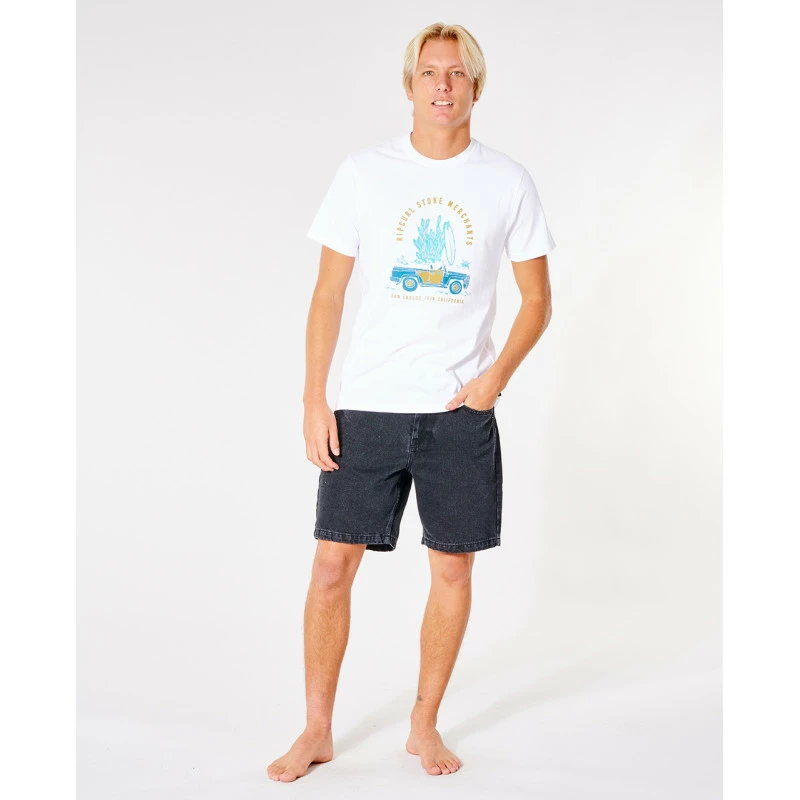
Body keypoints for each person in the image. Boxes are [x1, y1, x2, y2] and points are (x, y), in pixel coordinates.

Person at [267, 21, 555, 783]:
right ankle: (317, 730)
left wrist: (493, 379)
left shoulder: (507, 181)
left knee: (452, 573)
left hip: (460, 412)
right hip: (368, 405)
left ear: (476, 87)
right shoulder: (365, 173)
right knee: (332, 567)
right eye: (429, 72)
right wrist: (314, 399)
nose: (442, 85)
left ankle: (423, 725)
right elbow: (327, 294)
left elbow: (536, 300)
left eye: (456, 73)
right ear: (409, 85)